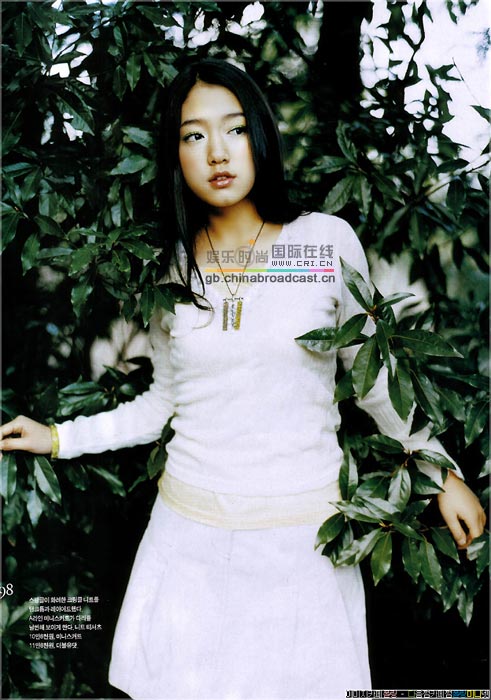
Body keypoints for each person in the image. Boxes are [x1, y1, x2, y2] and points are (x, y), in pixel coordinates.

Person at [0, 58, 486, 700]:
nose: (217, 152)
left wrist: (439, 471)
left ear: (259, 135)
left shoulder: (323, 245)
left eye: (233, 129)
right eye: (193, 135)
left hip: (301, 544)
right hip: (187, 541)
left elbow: (375, 380)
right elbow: (164, 402)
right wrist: (60, 438)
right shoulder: (171, 269)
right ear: (175, 154)